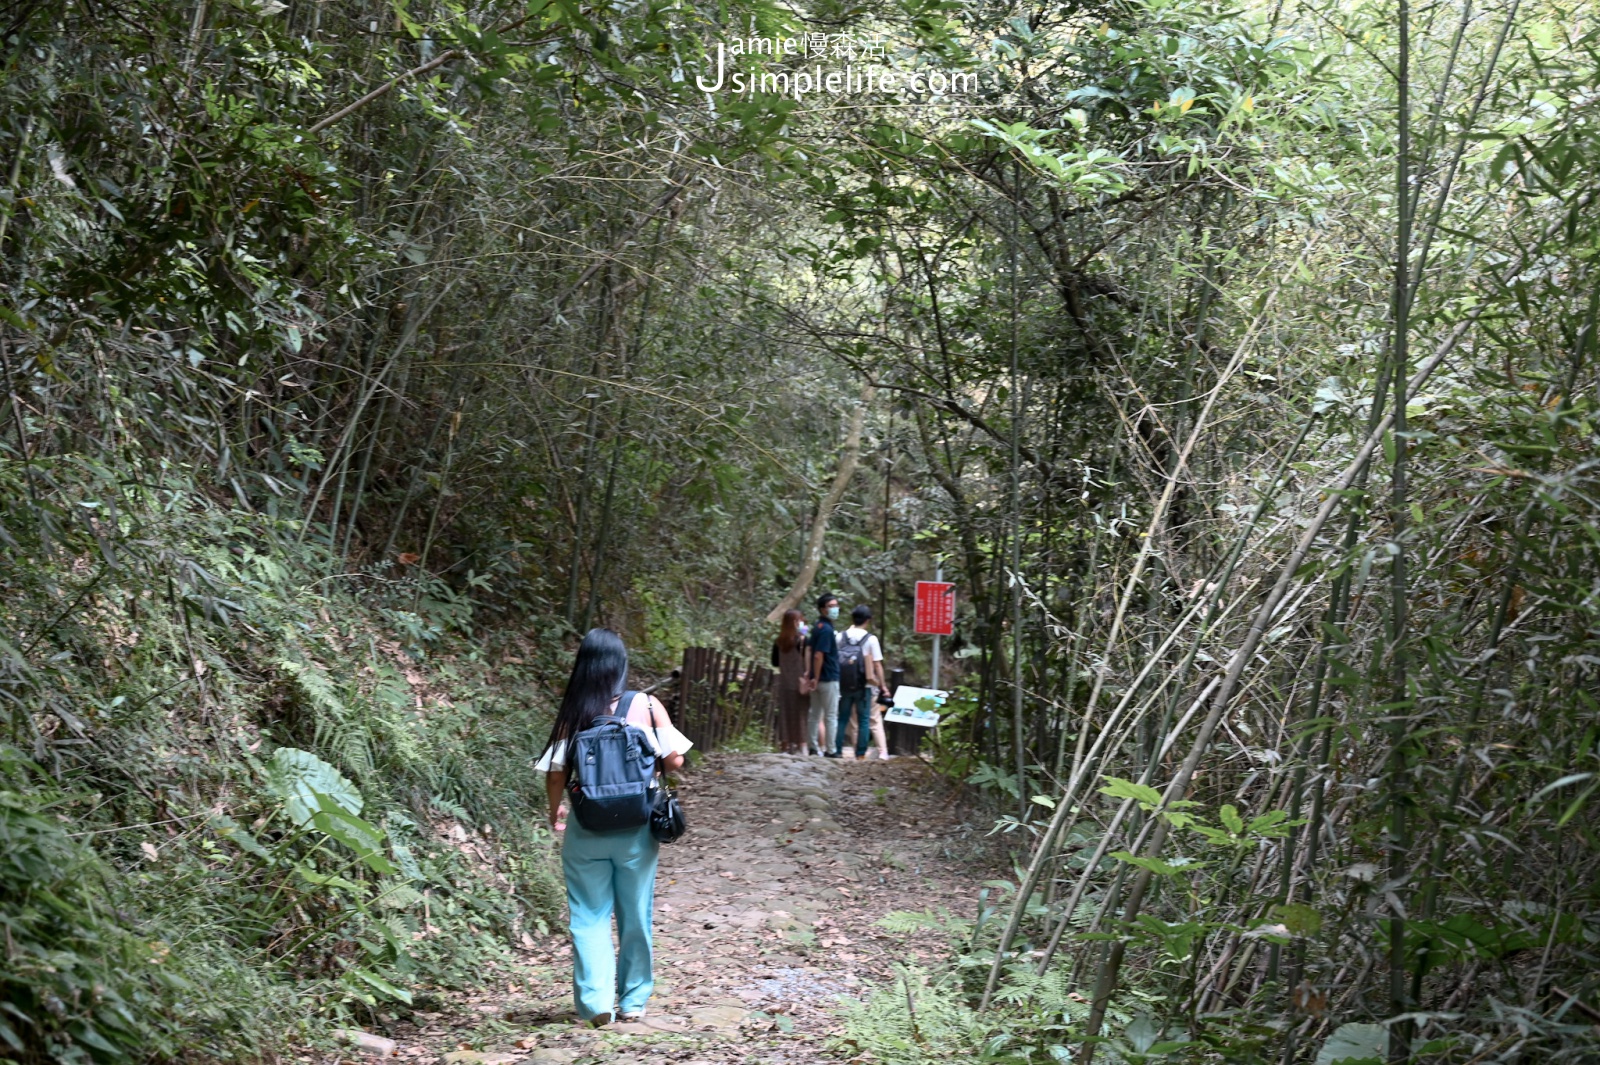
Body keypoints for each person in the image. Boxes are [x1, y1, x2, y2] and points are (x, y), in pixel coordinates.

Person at [536, 628, 693, 1027]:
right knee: (635, 913)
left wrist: (555, 813)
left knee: (587, 916)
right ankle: (634, 1001)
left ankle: (595, 1003)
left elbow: (556, 773)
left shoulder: (574, 709)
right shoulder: (647, 704)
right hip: (637, 828)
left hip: (586, 828)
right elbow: (675, 761)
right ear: (620, 663)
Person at [833, 605, 891, 760]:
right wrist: (882, 685)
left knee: (842, 718)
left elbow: (833, 659)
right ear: (868, 620)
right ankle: (860, 754)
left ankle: (836, 750)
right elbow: (877, 664)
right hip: (864, 685)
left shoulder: (840, 637)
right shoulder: (871, 639)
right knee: (864, 719)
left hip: (843, 685)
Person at [770, 608, 810, 754]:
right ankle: (802, 744)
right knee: (801, 713)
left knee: (785, 713)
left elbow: (775, 662)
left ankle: (785, 744)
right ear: (795, 622)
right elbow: (808, 659)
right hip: (800, 682)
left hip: (784, 682)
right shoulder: (802, 641)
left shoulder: (779, 642)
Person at [806, 592, 841, 757]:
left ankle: (813, 747)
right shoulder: (826, 630)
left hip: (816, 678)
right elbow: (818, 654)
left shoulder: (817, 626)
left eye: (836, 605)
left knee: (814, 714)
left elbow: (809, 649)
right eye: (831, 606)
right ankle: (831, 750)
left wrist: (809, 673)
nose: (835, 609)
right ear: (822, 609)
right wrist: (817, 676)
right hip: (827, 677)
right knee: (830, 715)